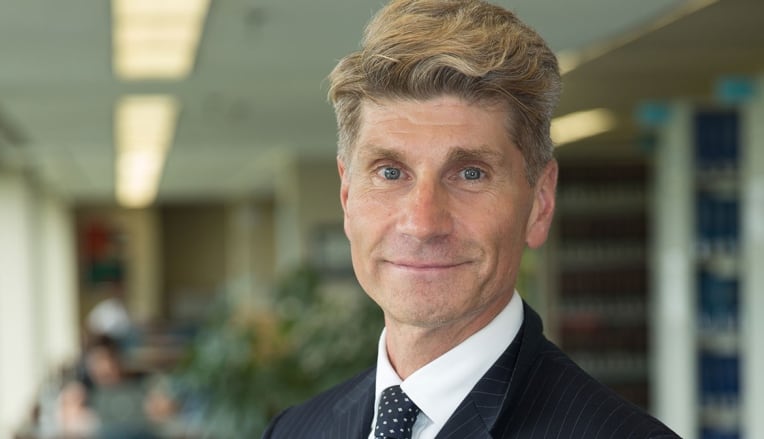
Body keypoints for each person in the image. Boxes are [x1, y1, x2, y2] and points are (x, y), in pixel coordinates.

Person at [263, 0, 680, 438]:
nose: (422, 224)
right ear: (347, 196)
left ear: (539, 202)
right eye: (390, 172)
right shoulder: (295, 429)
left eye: (470, 173)